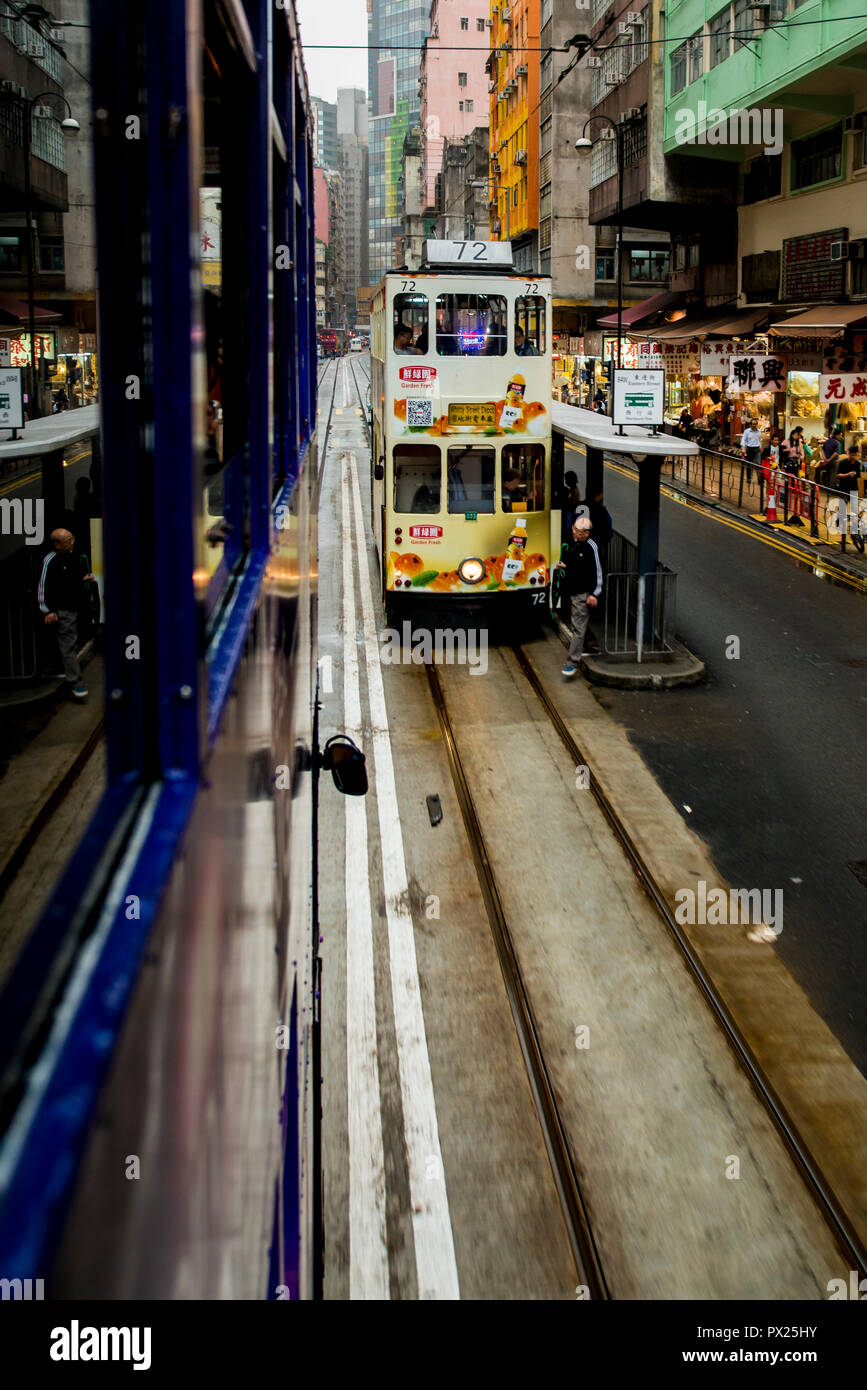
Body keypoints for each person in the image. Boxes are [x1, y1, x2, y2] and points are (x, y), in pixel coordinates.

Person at [38, 528, 93, 699]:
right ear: (57, 545)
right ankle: (76, 683)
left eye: (72, 538)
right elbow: (44, 587)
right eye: (68, 540)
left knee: (70, 644)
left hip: (76, 607)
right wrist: (48, 610)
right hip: (63, 610)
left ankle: (59, 670)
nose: (72, 542)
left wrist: (83, 579)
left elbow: (69, 581)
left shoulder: (72, 555)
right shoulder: (51, 560)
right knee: (68, 645)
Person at [556, 515, 603, 676]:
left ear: (587, 533)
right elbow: (577, 565)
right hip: (573, 592)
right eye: (573, 528)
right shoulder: (577, 544)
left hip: (583, 594)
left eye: (577, 530)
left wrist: (594, 594)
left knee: (578, 628)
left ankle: (572, 663)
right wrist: (565, 566)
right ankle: (593, 647)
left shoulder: (591, 547)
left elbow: (598, 573)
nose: (573, 532)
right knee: (580, 623)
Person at [740, 419, 762, 484]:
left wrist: (760, 447)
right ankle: (749, 478)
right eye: (753, 424)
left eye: (755, 424)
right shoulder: (747, 431)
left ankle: (759, 479)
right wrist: (743, 448)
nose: (754, 425)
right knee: (749, 464)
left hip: (757, 449)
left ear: (757, 424)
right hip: (749, 449)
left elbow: (760, 440)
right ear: (750, 425)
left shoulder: (759, 431)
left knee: (758, 464)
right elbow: (744, 440)